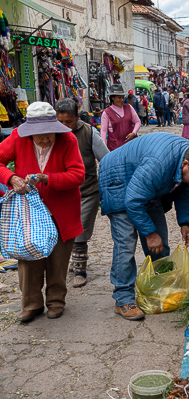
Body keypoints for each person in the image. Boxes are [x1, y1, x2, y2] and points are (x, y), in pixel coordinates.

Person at [98, 136, 189, 320]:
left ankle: (160, 288)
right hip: (118, 179)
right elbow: (133, 200)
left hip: (144, 186)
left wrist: (185, 223)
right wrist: (149, 233)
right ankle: (123, 299)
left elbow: (186, 193)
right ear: (185, 163)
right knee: (126, 243)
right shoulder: (159, 164)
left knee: (160, 242)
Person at [0, 101, 85, 322]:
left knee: (58, 258)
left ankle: (56, 302)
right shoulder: (18, 137)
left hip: (62, 210)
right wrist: (12, 178)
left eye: (49, 133)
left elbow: (78, 175)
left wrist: (48, 178)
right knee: (28, 258)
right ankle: (31, 304)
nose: (45, 139)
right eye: (39, 135)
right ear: (29, 132)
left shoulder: (68, 140)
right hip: (28, 212)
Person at [55, 98, 109, 288]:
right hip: (61, 192)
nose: (64, 126)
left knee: (81, 231)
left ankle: (80, 270)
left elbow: (106, 159)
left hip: (86, 192)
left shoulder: (89, 132)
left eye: (68, 122)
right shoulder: (51, 134)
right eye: (60, 121)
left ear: (77, 118)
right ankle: (68, 263)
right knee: (62, 231)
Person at [101, 84, 140, 150]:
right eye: (119, 97)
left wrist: (134, 133)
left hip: (131, 145)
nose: (122, 100)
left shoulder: (129, 107)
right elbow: (103, 131)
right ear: (113, 98)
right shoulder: (106, 113)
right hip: (115, 148)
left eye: (123, 97)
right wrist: (103, 148)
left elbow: (137, 121)